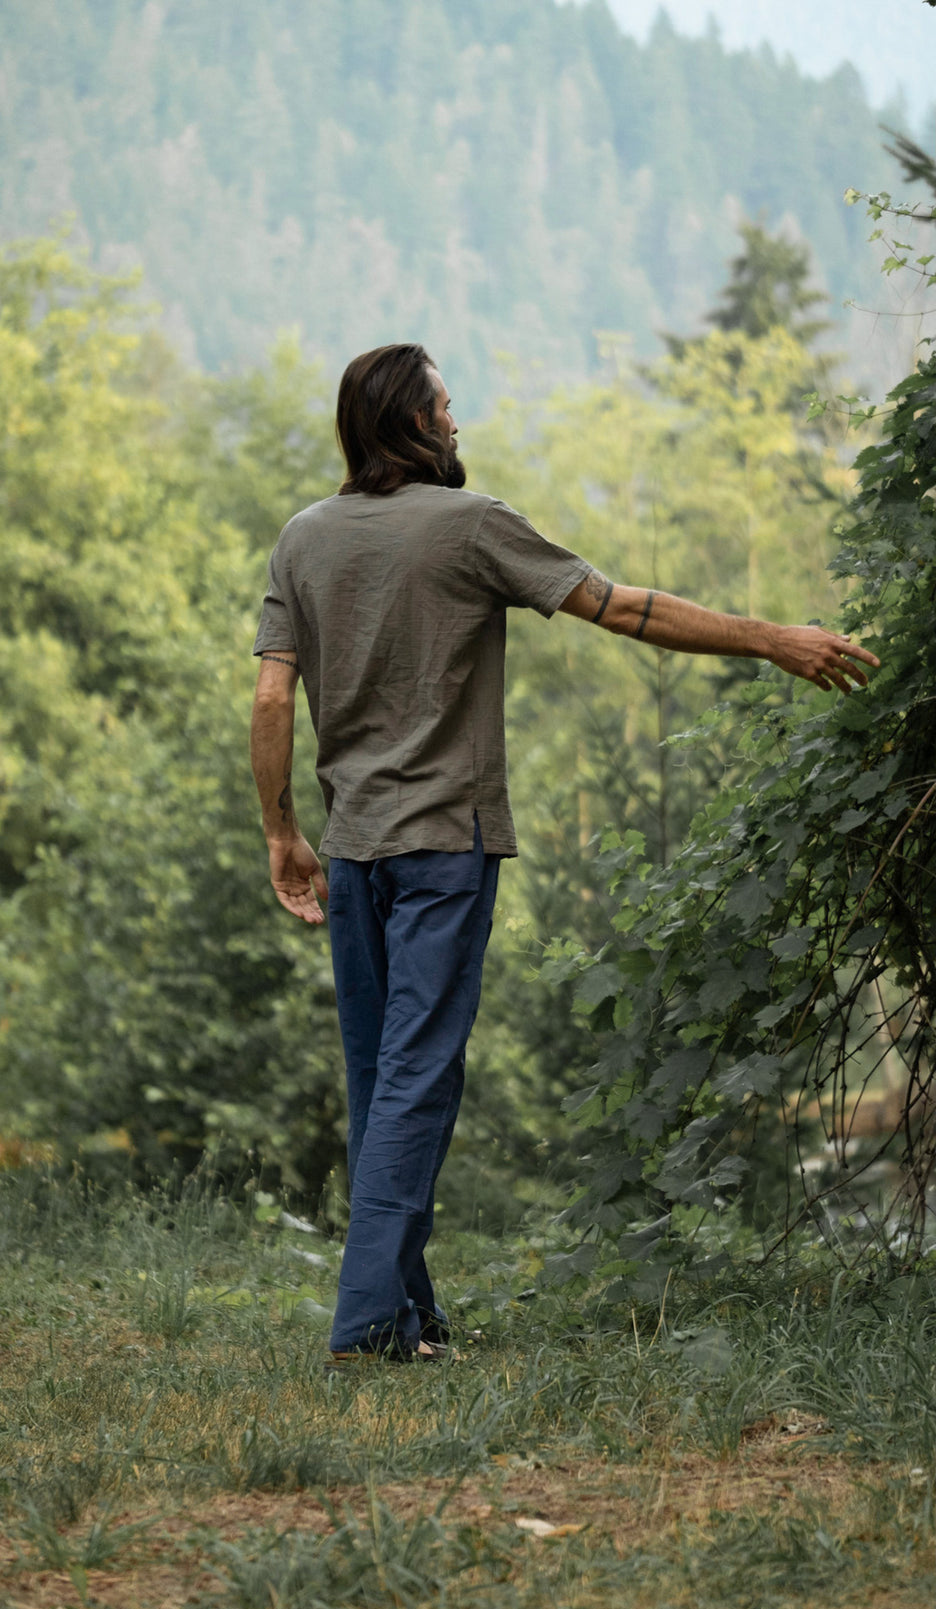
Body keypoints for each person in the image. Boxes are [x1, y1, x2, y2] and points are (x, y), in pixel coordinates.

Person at [250, 342, 878, 1368]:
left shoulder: (302, 538)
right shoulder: (473, 525)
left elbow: (272, 696)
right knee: (415, 1076)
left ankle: (408, 1317)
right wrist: (769, 637)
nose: (459, 425)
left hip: (354, 850)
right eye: (446, 409)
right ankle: (367, 1325)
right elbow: (623, 608)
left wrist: (282, 831)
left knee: (381, 1078)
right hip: (445, 844)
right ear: (411, 423)